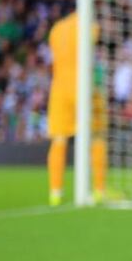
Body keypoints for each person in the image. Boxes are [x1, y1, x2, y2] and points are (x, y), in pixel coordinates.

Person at [46, 10, 107, 206]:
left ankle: (55, 193)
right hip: (83, 85)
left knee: (59, 139)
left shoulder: (56, 29)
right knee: (97, 136)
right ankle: (99, 190)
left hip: (59, 88)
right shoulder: (88, 25)